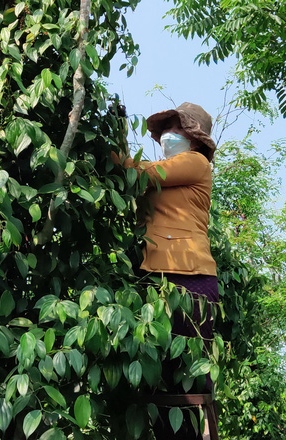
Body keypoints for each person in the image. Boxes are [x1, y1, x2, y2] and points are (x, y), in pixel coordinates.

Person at [112, 102, 218, 439]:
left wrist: (115, 138)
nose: (169, 135)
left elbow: (136, 172)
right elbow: (130, 176)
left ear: (194, 138)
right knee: (162, 381)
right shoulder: (168, 169)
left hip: (190, 279)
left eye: (177, 128)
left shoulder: (195, 163)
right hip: (157, 278)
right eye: (167, 127)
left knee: (188, 381)